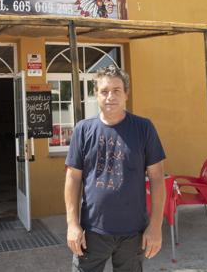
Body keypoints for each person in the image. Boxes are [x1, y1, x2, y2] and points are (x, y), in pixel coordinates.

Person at [65, 65, 166, 272]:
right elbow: (73, 178)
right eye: (104, 91)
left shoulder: (143, 128)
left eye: (116, 90)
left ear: (126, 94)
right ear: (96, 95)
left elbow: (157, 178)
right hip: (92, 232)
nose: (110, 96)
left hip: (133, 233)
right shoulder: (83, 130)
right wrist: (72, 224)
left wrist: (155, 226)